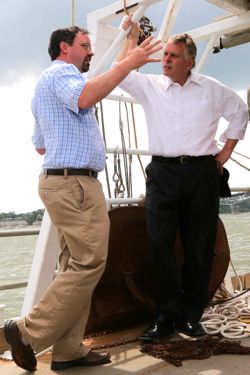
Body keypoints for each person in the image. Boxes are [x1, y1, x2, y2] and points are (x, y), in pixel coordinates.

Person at [3, 26, 162, 372]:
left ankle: (69, 349)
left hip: (65, 182)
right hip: (74, 183)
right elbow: (86, 98)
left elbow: (40, 144)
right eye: (85, 45)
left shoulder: (49, 85)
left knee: (76, 265)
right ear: (64, 48)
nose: (91, 51)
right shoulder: (61, 73)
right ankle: (26, 332)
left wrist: (131, 44)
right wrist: (128, 62)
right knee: (89, 262)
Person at [117, 17, 248, 342]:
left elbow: (240, 112)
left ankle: (191, 316)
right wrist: (131, 37)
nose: (165, 60)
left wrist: (225, 153)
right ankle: (166, 316)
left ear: (190, 61)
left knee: (199, 247)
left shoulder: (213, 89)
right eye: (165, 56)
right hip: (162, 173)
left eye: (173, 56)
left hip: (201, 173)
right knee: (159, 243)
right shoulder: (151, 87)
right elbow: (121, 73)